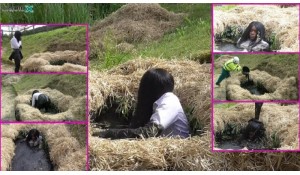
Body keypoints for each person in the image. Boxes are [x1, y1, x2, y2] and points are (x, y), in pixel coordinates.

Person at [95, 68, 190, 139]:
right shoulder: (160, 101)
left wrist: (109, 134)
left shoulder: (169, 100)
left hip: (174, 150)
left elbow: (150, 132)